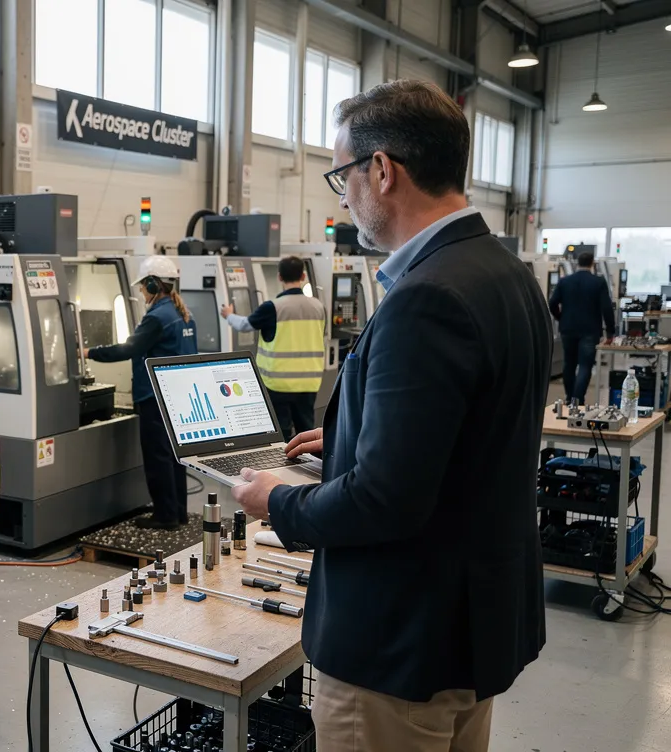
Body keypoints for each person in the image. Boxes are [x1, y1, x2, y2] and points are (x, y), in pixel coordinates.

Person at [231, 80, 551, 752]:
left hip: (399, 648)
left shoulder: (425, 298)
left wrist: (278, 503)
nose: (342, 195)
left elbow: (386, 501)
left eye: (341, 175)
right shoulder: (504, 273)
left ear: (382, 170)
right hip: (470, 634)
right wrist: (354, 433)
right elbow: (472, 438)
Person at [85, 256, 198, 530]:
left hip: (155, 397)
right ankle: (178, 512)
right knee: (174, 457)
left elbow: (129, 349)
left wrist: (89, 352)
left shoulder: (158, 317)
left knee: (158, 456)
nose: (140, 291)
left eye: (143, 286)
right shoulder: (182, 313)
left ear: (152, 283)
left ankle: (165, 516)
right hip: (178, 395)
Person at [220, 256, 327, 439]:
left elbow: (245, 325)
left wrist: (229, 315)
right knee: (307, 431)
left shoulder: (273, 307)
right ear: (303, 276)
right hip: (309, 382)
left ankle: (282, 466)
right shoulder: (318, 306)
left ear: (279, 277)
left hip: (278, 383)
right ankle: (310, 466)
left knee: (281, 432)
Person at [549, 251, 616, 404]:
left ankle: (568, 397)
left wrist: (561, 318)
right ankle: (577, 399)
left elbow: (552, 303)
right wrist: (610, 332)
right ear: (592, 263)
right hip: (590, 331)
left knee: (569, 364)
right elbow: (606, 308)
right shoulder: (598, 282)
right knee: (585, 365)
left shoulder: (564, 281)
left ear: (577, 262)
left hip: (568, 329)